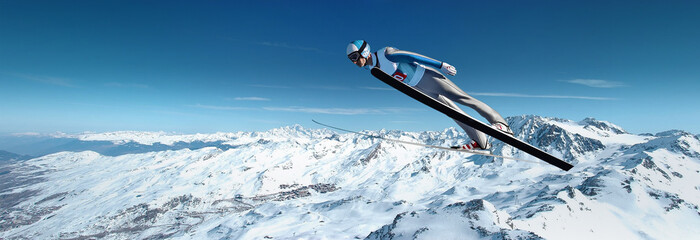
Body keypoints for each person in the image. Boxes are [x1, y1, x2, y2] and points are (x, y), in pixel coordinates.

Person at [346, 39, 513, 151]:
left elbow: (412, 56)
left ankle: (501, 124)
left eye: (354, 57)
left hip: (429, 77)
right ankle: (481, 141)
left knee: (464, 99)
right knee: (452, 113)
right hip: (419, 89)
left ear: (365, 51)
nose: (353, 62)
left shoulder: (386, 54)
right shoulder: (374, 70)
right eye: (350, 59)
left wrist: (441, 65)